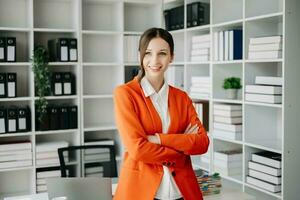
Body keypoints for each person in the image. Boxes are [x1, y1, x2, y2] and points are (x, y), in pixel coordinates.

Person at [113, 27, 209, 200]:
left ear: (171, 57)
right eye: (148, 53)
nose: (154, 60)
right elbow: (138, 150)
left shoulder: (181, 97)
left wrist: (158, 139)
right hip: (143, 192)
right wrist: (181, 148)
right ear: (139, 56)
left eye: (162, 53)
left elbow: (202, 143)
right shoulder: (125, 94)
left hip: (182, 192)